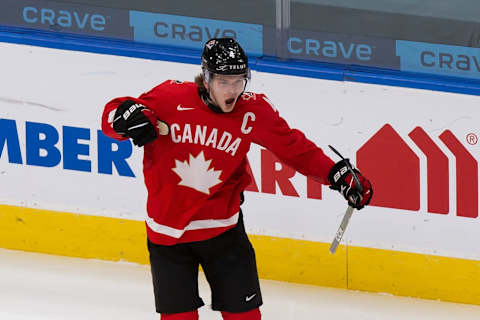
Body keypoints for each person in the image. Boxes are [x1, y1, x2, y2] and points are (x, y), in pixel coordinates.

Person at [101, 38, 372, 320]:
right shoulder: (170, 99)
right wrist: (122, 117)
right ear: (206, 79)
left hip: (224, 233)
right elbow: (113, 114)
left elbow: (295, 149)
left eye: (238, 81)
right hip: (168, 234)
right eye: (223, 82)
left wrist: (336, 174)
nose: (232, 91)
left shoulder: (253, 112)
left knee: (245, 316)